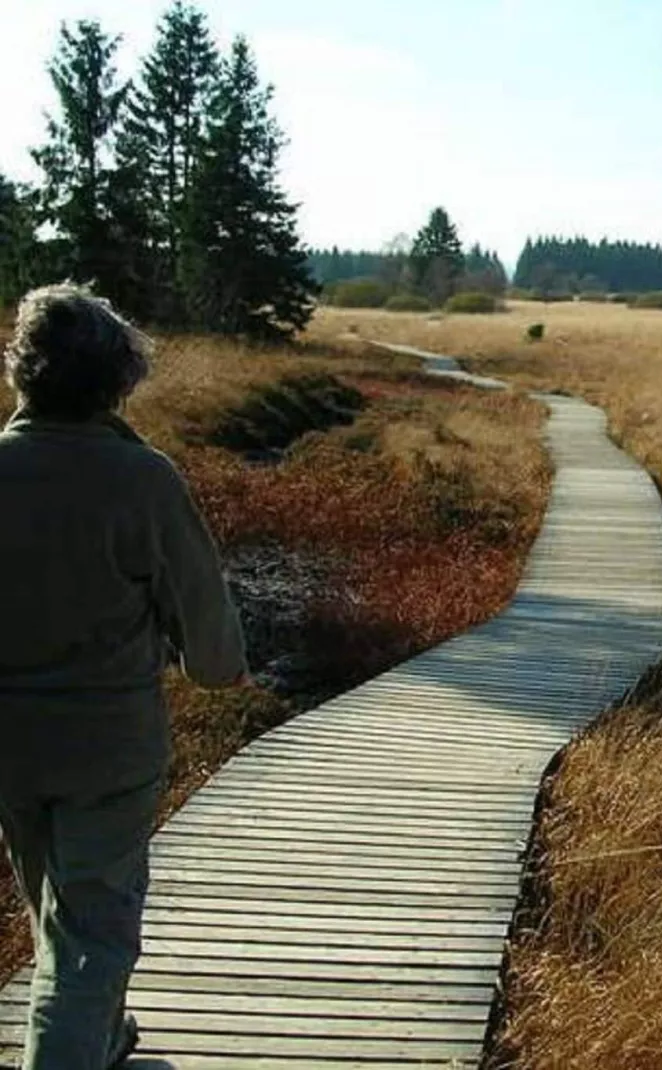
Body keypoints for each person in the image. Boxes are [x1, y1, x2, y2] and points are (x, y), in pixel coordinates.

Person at [0, 284, 247, 1068]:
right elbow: (202, 617)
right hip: (107, 745)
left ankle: (99, 1035)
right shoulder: (143, 480)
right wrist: (219, 670)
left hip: (8, 745)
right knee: (92, 929)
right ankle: (70, 1048)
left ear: (24, 374)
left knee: (56, 909)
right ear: (117, 380)